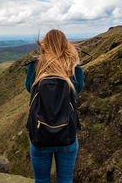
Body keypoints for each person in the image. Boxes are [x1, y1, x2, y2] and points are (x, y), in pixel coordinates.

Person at [25, 29, 84, 183]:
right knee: (65, 180)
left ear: (44, 44)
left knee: (41, 180)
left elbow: (28, 87)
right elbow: (78, 89)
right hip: (67, 134)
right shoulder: (75, 68)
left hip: (39, 133)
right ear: (66, 45)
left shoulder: (34, 67)